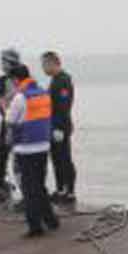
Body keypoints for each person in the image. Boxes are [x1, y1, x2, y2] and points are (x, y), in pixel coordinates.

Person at [3, 61, 61, 237]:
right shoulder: (43, 93)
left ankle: (35, 226)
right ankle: (51, 220)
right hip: (43, 146)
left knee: (29, 188)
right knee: (40, 185)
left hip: (25, 147)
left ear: (15, 79)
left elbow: (10, 120)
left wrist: (6, 104)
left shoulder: (20, 97)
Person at [42, 50, 77, 203]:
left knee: (64, 158)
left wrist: (59, 128)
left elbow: (64, 106)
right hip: (53, 125)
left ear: (53, 63)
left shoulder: (63, 81)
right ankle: (60, 188)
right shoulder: (54, 80)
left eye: (45, 64)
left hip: (60, 126)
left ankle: (69, 191)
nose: (43, 68)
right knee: (56, 159)